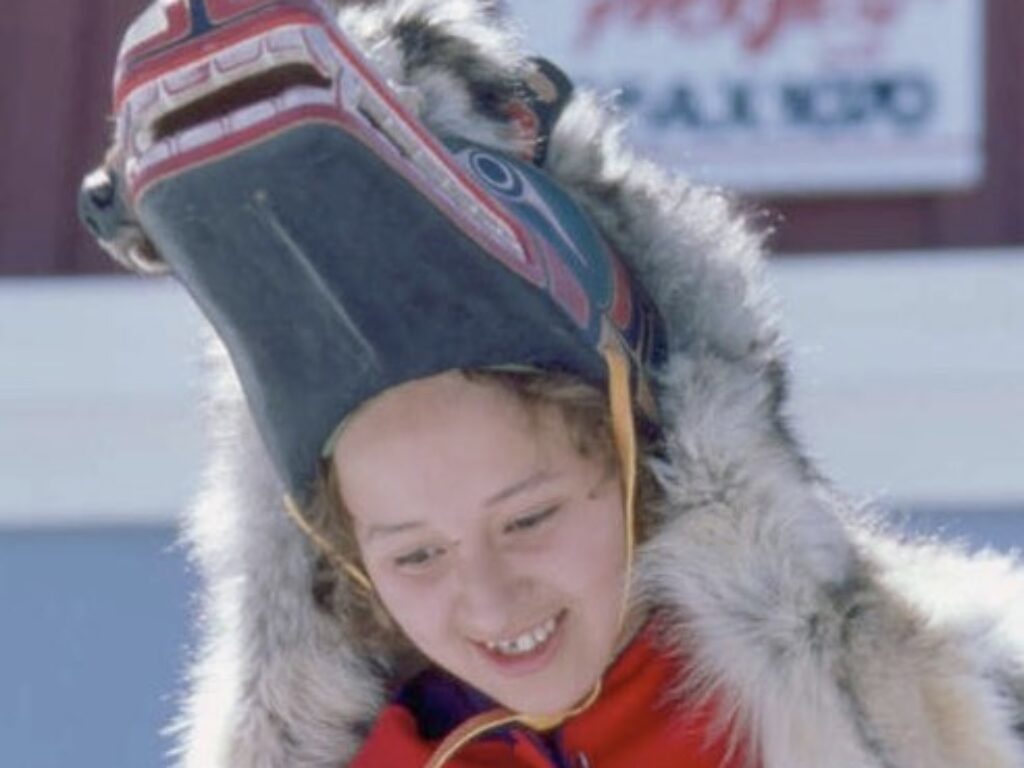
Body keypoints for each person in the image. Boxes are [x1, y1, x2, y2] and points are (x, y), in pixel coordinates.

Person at [81, 1, 1024, 766]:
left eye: (529, 519)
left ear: (641, 470)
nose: (490, 603)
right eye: (414, 556)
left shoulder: (950, 713)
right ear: (348, 562)